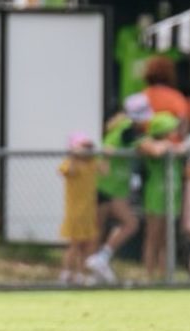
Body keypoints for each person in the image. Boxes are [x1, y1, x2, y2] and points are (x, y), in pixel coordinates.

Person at [84, 93, 149, 284]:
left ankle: (95, 271)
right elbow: (108, 149)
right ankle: (101, 259)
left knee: (99, 229)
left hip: (113, 186)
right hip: (109, 187)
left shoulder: (128, 129)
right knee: (130, 223)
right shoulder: (126, 129)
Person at [139, 112, 184, 279]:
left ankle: (165, 275)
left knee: (167, 239)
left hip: (173, 197)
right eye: (172, 130)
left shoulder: (177, 146)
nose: (176, 132)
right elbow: (155, 150)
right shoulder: (149, 143)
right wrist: (169, 146)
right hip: (156, 197)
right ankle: (148, 275)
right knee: (153, 237)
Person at [59, 132, 101, 285]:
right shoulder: (70, 163)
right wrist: (73, 155)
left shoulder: (91, 164)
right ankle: (66, 273)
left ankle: (82, 274)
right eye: (84, 147)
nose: (87, 150)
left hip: (89, 211)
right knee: (74, 244)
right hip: (75, 212)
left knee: (88, 244)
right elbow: (67, 171)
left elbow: (104, 170)